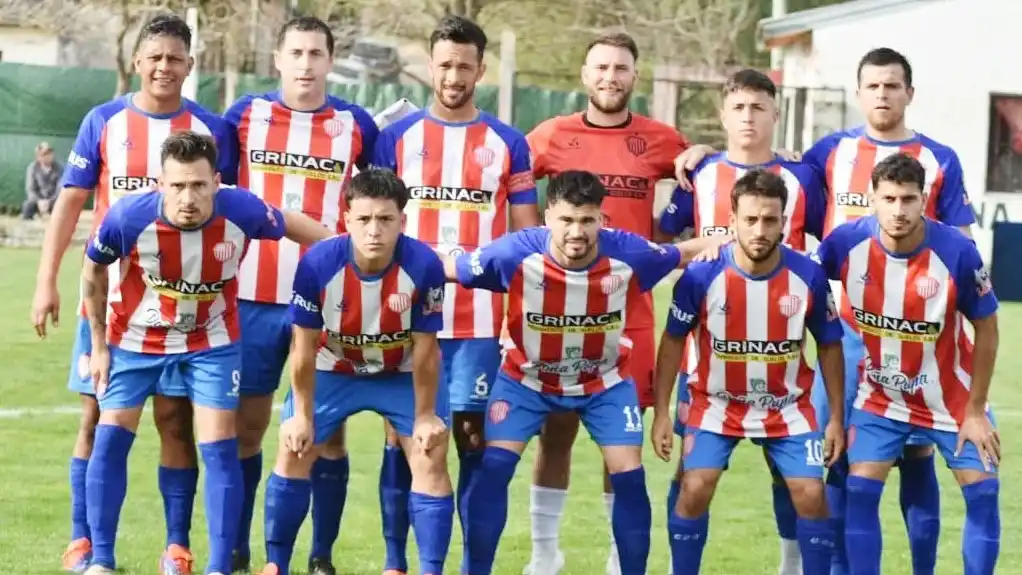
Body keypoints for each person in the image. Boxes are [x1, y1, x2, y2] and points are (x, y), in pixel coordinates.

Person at [671, 48, 977, 575]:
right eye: (873, 86)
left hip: (903, 338)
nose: (882, 95)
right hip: (826, 336)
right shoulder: (827, 154)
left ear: (909, 92)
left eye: (892, 85)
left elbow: (960, 248)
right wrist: (700, 150)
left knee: (914, 455)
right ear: (859, 93)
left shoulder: (933, 159)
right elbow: (702, 217)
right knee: (822, 463)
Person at [29, 14, 237, 575]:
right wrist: (47, 280)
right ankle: (85, 543)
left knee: (174, 420)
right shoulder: (103, 121)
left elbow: (230, 215)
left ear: (189, 66)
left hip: (185, 311)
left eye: (175, 58)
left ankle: (176, 546)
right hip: (111, 306)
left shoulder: (213, 131)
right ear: (138, 62)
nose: (165, 67)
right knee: (94, 418)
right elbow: (71, 205)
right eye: (156, 57)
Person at [447, 170, 726, 575]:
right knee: (493, 471)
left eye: (587, 220)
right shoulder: (511, 254)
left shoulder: (630, 255)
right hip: (526, 381)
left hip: (604, 383)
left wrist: (721, 240)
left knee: (629, 475)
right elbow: (452, 268)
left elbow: (680, 253)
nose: (576, 231)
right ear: (547, 219)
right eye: (566, 220)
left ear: (602, 220)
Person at [78, 131, 331, 575]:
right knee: (111, 437)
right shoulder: (128, 218)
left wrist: (344, 254)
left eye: (198, 185)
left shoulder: (243, 210)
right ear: (160, 184)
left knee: (218, 447)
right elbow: (93, 270)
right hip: (136, 340)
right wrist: (98, 346)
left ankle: (217, 566)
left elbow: (291, 223)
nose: (188, 197)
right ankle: (101, 560)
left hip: (211, 342)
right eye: (177, 186)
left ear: (217, 181)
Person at [370, 14, 539, 575]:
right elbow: (374, 223)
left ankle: (472, 567)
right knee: (402, 439)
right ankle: (397, 562)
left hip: (479, 322)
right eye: (444, 64)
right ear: (430, 66)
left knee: (469, 439)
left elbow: (524, 238)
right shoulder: (396, 139)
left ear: (480, 70)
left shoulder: (507, 143)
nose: (453, 75)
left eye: (464, 66)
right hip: (406, 315)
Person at [523, 32, 689, 574]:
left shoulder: (662, 139)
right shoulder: (550, 136)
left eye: (620, 68)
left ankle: (622, 560)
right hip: (560, 309)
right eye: (601, 67)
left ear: (634, 77)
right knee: (557, 433)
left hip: (630, 315)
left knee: (622, 443)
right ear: (584, 75)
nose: (610, 77)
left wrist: (703, 159)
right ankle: (545, 556)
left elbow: (700, 185)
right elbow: (512, 182)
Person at [222, 16, 378, 574]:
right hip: (252, 295)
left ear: (330, 61)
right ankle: (237, 547)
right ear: (278, 60)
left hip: (328, 298)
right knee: (248, 426)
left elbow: (374, 205)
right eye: (296, 52)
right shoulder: (242, 116)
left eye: (317, 53)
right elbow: (217, 195)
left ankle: (320, 555)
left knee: (326, 433)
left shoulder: (356, 125)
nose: (306, 63)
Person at [657, 68, 827, 575]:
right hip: (705, 362)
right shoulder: (700, 172)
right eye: (739, 108)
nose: (748, 117)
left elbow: (825, 239)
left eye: (759, 107)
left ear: (776, 114)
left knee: (791, 476)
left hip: (781, 361)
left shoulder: (803, 178)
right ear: (722, 115)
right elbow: (667, 238)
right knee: (692, 475)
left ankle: (790, 565)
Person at [257, 168, 453, 575]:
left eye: (386, 219)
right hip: (333, 367)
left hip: (398, 371)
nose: (375, 230)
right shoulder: (318, 263)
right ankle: (276, 565)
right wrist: (301, 413)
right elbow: (304, 348)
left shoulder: (424, 265)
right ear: (347, 220)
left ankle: (429, 569)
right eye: (364, 219)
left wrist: (423, 417)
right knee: (294, 446)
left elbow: (426, 350)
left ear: (403, 220)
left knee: (430, 454)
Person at [813, 152, 1000, 575]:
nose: (898, 210)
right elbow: (798, 276)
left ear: (924, 200)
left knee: (984, 493)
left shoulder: (957, 253)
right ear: (872, 199)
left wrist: (975, 410)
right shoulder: (845, 244)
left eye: (909, 199)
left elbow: (987, 328)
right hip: (882, 394)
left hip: (952, 397)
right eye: (890, 198)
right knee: (859, 488)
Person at [22, 141, 63, 220]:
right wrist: (38, 201)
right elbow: (30, 189)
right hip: (38, 201)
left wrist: (49, 202)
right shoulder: (32, 168)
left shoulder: (59, 168)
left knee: (64, 207)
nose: (48, 156)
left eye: (50, 153)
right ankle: (29, 227)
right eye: (44, 154)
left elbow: (60, 189)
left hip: (54, 201)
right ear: (38, 156)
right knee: (27, 206)